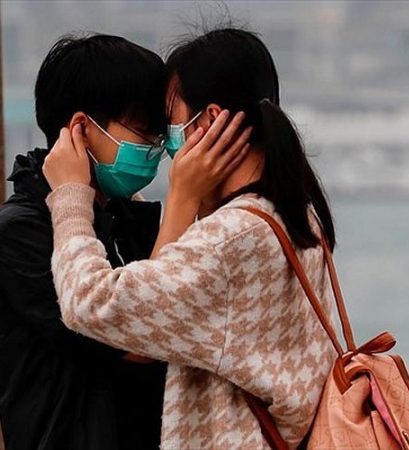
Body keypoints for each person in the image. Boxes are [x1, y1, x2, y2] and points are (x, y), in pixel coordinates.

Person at [43, 28, 337, 449]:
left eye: (172, 122)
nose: (167, 143)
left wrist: (71, 196)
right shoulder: (295, 215)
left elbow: (90, 302)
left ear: (210, 120)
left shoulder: (229, 241)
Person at [0, 33, 170, 450]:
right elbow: (141, 338)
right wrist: (186, 194)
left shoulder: (124, 217)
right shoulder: (20, 233)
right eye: (143, 132)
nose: (154, 150)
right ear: (82, 128)